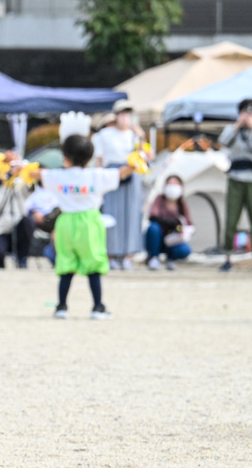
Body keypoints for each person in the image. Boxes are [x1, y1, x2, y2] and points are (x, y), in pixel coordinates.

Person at [43, 132, 131, 319]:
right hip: (89, 221)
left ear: (65, 157)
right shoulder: (96, 175)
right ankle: (97, 307)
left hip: (66, 221)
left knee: (66, 262)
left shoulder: (58, 176)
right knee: (94, 263)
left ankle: (61, 307)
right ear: (90, 158)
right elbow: (122, 172)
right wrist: (138, 162)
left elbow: (36, 173)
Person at [219, 98, 252, 272]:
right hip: (235, 178)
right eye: (245, 111)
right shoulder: (232, 129)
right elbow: (222, 142)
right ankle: (228, 257)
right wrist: (237, 125)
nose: (248, 115)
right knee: (231, 219)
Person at [93, 101, 146, 270]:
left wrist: (141, 136)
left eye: (127, 114)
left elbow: (142, 155)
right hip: (112, 174)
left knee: (131, 214)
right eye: (122, 114)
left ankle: (129, 254)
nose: (125, 118)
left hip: (131, 173)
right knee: (111, 213)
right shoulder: (104, 135)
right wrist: (98, 180)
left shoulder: (133, 135)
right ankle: (111, 254)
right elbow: (99, 159)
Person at [145, 175, 193, 270]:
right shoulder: (159, 199)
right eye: (170, 184)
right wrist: (171, 223)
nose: (173, 187)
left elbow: (189, 223)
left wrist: (183, 231)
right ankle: (153, 257)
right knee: (153, 228)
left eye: (175, 184)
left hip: (172, 239)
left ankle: (171, 259)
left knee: (185, 250)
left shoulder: (182, 204)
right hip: (158, 237)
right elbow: (152, 216)